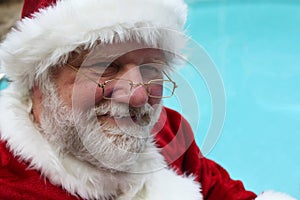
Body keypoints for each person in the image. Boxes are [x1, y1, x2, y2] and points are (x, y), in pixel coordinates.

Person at [0, 0, 295, 199]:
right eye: (106, 66)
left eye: (151, 68)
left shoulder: (167, 134)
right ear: (39, 78)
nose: (139, 95)